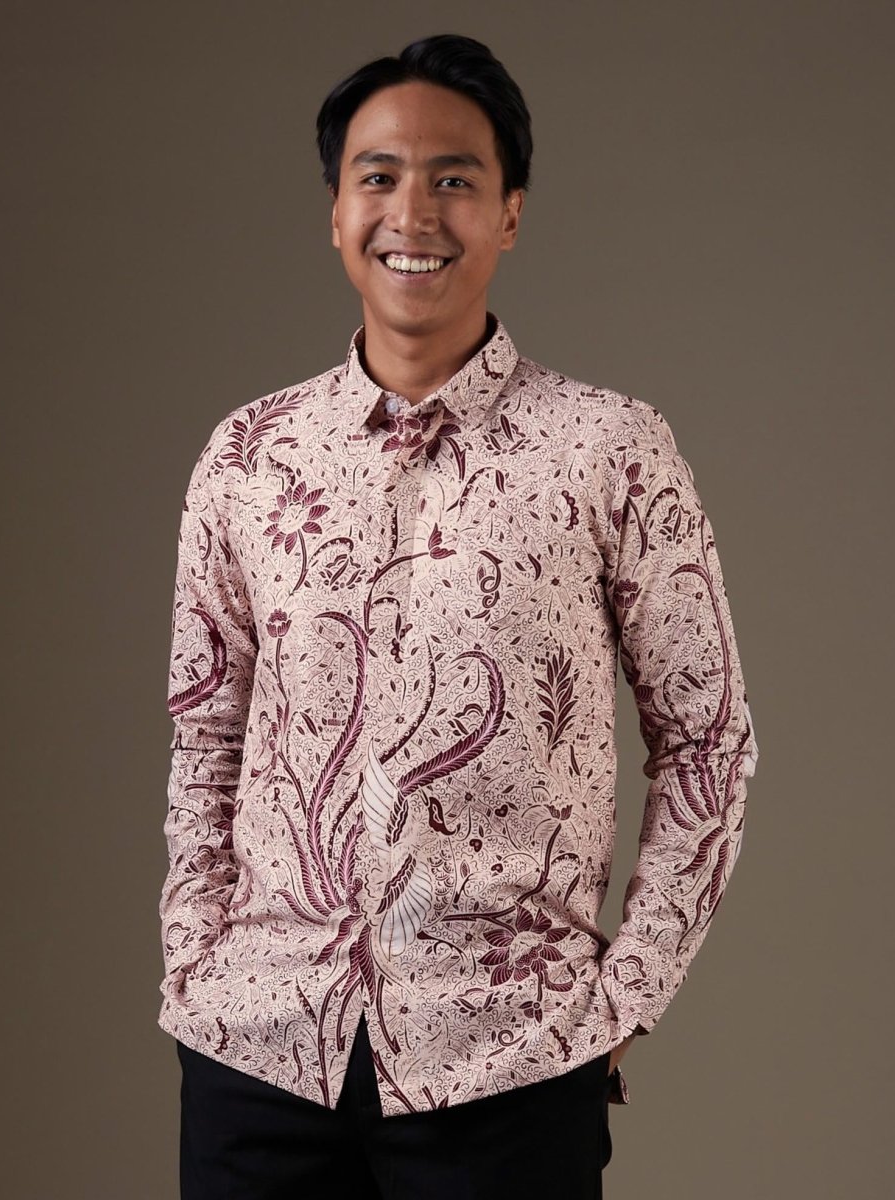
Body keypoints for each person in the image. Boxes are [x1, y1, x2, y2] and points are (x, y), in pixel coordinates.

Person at [159, 32, 759, 1200]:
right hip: (257, 1053)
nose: (413, 214)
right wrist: (195, 962)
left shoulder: (609, 450)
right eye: (378, 177)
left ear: (511, 214)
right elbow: (205, 731)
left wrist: (625, 995)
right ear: (336, 213)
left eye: (454, 179)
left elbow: (710, 740)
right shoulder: (248, 457)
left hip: (508, 1063)